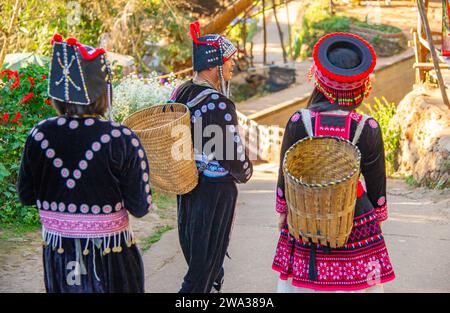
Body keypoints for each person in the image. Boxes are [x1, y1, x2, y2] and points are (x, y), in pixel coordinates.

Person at [16, 34, 152, 293]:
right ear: (103, 92)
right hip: (111, 257)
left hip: (59, 255)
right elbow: (141, 206)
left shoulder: (39, 134)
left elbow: (25, 196)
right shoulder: (120, 137)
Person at [272, 32, 395, 292]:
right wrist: (376, 218)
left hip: (305, 214)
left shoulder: (299, 121)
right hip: (353, 214)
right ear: (360, 86)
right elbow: (377, 186)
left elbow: (285, 173)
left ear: (320, 81)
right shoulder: (367, 127)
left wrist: (283, 210)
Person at [170, 21, 253, 293]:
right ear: (211, 65)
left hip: (188, 186)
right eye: (228, 61)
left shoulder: (181, 92)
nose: (231, 66)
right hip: (214, 192)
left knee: (197, 257)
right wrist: (245, 171)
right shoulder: (217, 103)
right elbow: (230, 153)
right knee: (202, 270)